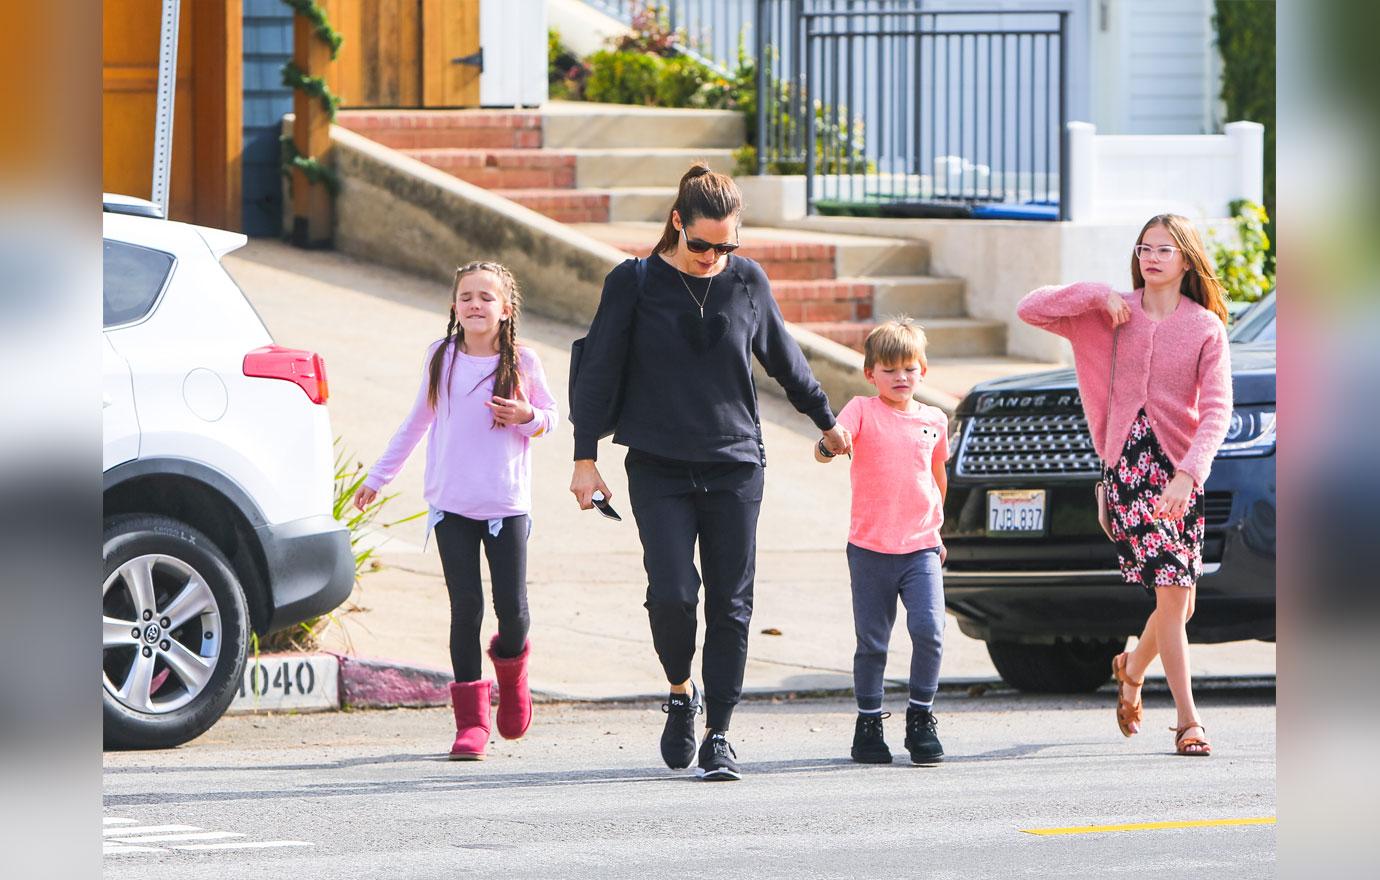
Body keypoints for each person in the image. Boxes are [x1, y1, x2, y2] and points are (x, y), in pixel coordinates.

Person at [569, 164, 851, 781]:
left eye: (727, 246)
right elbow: (598, 371)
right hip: (658, 464)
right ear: (677, 223)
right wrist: (584, 456)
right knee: (673, 593)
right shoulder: (634, 282)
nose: (713, 257)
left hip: (734, 465)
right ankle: (679, 691)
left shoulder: (746, 279)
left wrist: (825, 421)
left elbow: (783, 356)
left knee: (732, 604)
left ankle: (720, 731)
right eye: (701, 245)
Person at [1017, 214, 1232, 757]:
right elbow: (1031, 307)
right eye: (1144, 248)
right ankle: (1189, 721)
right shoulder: (1110, 312)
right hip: (1130, 468)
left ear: (1186, 259)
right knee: (1174, 594)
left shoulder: (1205, 327)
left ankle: (1132, 669)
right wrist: (1095, 295)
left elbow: (1216, 411)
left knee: (1177, 606)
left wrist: (1189, 473)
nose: (1151, 258)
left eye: (1164, 249)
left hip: (1180, 471)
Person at [354, 261, 557, 760]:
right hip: (450, 506)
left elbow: (552, 420)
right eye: (466, 296)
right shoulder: (440, 358)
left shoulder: (524, 363)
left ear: (506, 310)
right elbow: (415, 424)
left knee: (512, 612)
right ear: (454, 307)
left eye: (486, 298)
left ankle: (512, 681)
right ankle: (472, 723)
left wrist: (526, 415)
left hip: (506, 505)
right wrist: (377, 478)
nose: (475, 305)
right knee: (465, 609)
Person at [817, 318, 949, 765]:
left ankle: (921, 717)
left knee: (929, 631)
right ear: (871, 373)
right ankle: (869, 723)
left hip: (921, 548)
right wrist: (829, 445)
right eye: (889, 370)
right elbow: (832, 440)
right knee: (872, 642)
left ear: (923, 371)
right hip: (871, 549)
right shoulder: (861, 409)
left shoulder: (935, 419)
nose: (900, 378)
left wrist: (938, 528)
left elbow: (936, 476)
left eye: (909, 369)